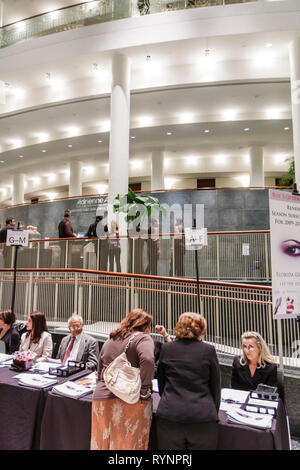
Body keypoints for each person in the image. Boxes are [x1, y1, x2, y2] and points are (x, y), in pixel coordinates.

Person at [91, 308, 154, 450]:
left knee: (101, 445)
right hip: (128, 401)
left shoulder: (112, 337)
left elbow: (100, 369)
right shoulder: (142, 337)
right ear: (144, 326)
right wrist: (144, 390)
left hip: (101, 398)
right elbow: (148, 360)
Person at [156, 312, 221, 450]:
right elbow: (215, 385)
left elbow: (161, 381)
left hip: (170, 414)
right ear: (202, 329)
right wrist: (212, 411)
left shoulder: (167, 348)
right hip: (202, 416)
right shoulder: (208, 350)